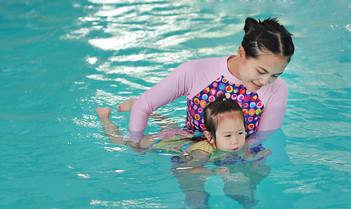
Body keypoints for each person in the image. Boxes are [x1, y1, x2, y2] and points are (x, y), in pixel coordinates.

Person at [118, 17, 295, 146]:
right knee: (194, 193)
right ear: (242, 53)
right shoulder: (194, 71)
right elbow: (144, 105)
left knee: (243, 193)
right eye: (261, 71)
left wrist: (227, 156)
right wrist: (135, 142)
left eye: (276, 75)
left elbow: (262, 137)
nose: (266, 81)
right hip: (192, 142)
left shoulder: (278, 89)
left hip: (239, 149)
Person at [96, 95, 271, 173]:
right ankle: (104, 116)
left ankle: (139, 106)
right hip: (162, 143)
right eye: (228, 135)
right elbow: (188, 169)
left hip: (182, 136)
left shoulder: (234, 144)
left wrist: (253, 157)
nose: (236, 140)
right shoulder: (203, 152)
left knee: (169, 126)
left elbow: (241, 153)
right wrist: (212, 172)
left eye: (240, 133)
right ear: (210, 137)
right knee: (124, 141)